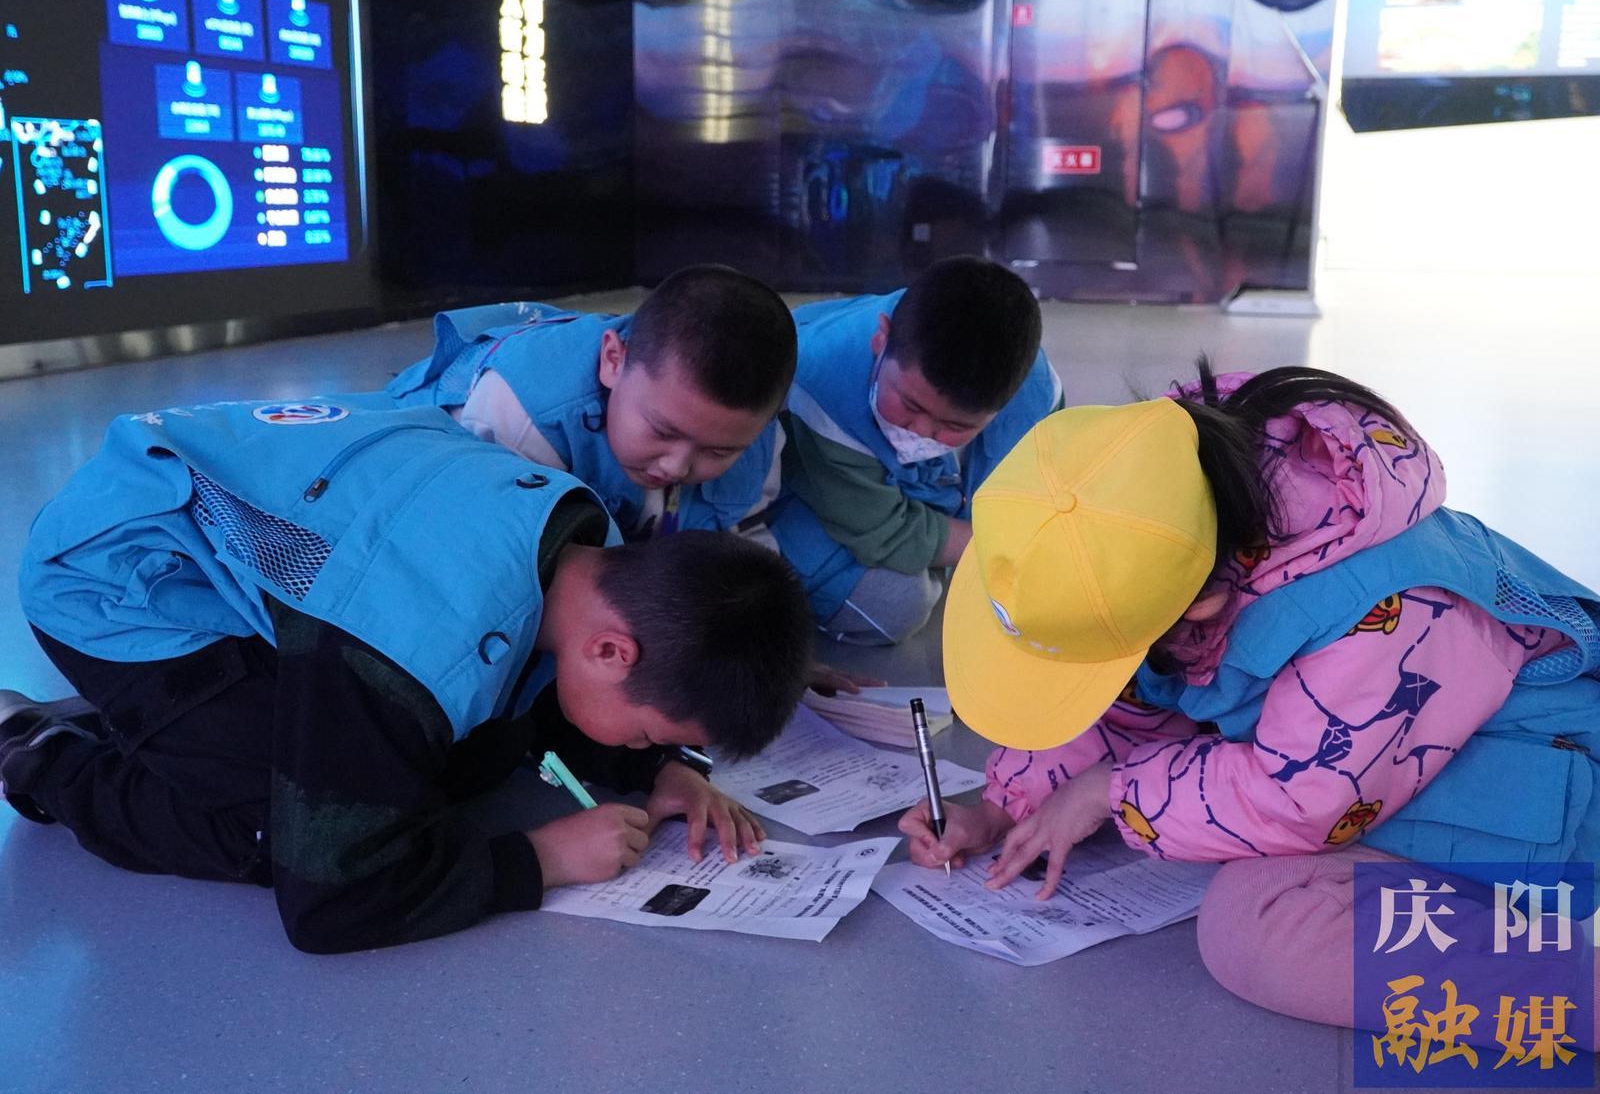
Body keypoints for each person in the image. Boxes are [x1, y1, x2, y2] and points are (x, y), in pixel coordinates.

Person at [901, 363, 1600, 1032]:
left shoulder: (1387, 610)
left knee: (1258, 929)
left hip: (1535, 801)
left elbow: (1301, 798)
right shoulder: (1168, 497)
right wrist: (1003, 808)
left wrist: (1108, 789)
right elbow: (1126, 688)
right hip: (1378, 761)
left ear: (1201, 607)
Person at [1, 397, 813, 953]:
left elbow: (550, 686)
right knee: (284, 829)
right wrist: (536, 861)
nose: (640, 743)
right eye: (646, 733)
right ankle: (43, 750)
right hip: (118, 584)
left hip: (239, 531)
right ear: (611, 651)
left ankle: (166, 731)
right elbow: (327, 901)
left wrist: (661, 769)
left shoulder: (589, 539)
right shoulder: (408, 639)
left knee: (457, 760)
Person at [766, 255, 1061, 646]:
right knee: (895, 605)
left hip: (903, 501)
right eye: (910, 404)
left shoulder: (1035, 396)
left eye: (956, 426)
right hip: (825, 492)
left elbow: (1033, 494)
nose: (921, 432)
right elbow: (881, 530)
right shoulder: (817, 387)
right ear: (881, 339)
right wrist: (1007, 551)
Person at [385, 263, 795, 542]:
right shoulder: (518, 418)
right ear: (613, 361)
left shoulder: (752, 430)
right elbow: (496, 566)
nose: (676, 467)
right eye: (662, 430)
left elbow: (747, 540)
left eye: (718, 452)